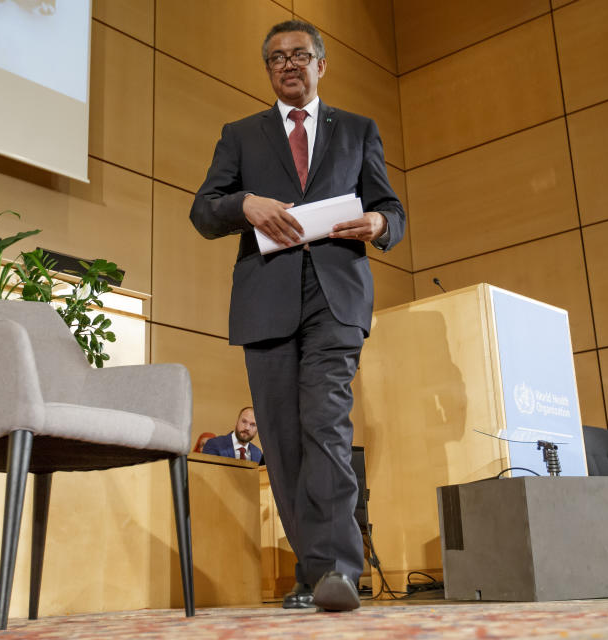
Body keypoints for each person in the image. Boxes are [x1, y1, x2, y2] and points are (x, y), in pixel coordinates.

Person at [189, 20, 405, 612]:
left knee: (327, 423)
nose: (289, 63)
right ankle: (313, 572)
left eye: (300, 55)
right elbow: (203, 210)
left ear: (321, 65)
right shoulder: (241, 135)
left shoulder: (359, 130)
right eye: (277, 57)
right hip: (266, 301)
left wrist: (380, 225)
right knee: (283, 440)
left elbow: (392, 209)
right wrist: (247, 204)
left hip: (336, 298)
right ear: (268, 70)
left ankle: (336, 570)